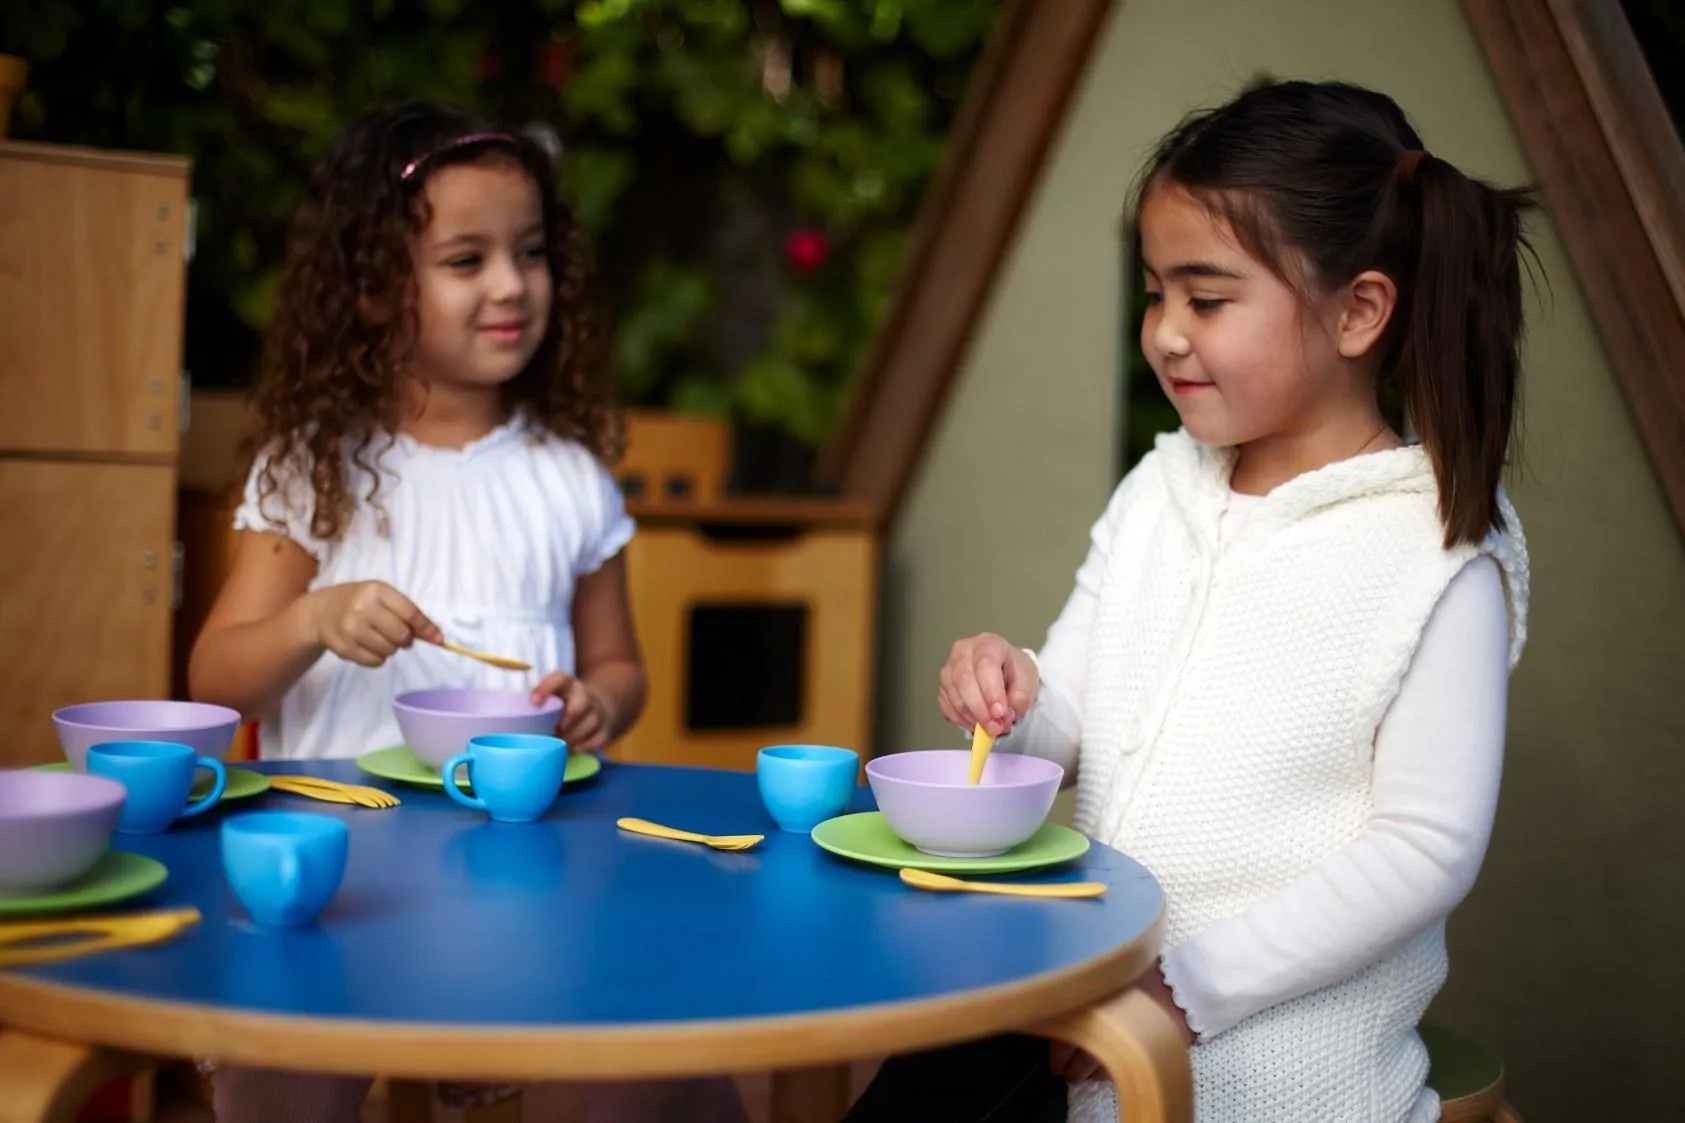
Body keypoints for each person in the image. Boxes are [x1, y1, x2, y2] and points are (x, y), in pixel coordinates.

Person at [847, 77, 1535, 1123]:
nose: (1165, 331)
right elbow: (1070, 709)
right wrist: (1013, 693)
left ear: (1356, 311)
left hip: (1276, 1079)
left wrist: (1182, 989)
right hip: (1094, 1028)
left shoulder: (1435, 546)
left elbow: (1423, 848)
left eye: (1205, 298)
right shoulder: (1158, 488)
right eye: (1155, 291)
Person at [190, 99, 745, 1123]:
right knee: (279, 1086)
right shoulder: (316, 469)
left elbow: (620, 668)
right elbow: (216, 673)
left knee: (663, 1066)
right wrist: (315, 617)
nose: (510, 286)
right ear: (368, 286)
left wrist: (595, 703)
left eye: (529, 253)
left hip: (528, 874)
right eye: (465, 260)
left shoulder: (569, 477)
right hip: (337, 877)